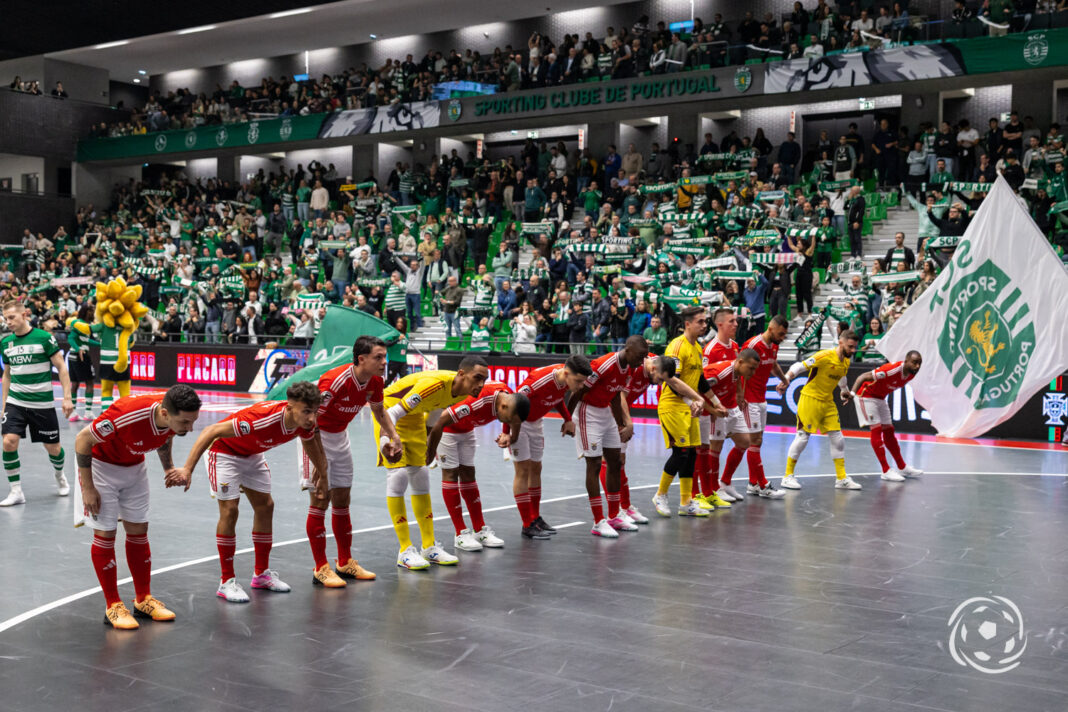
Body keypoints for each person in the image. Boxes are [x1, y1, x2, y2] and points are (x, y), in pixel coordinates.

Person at [170, 382, 329, 602]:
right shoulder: (259, 419)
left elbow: (311, 442)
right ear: (290, 408)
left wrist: (323, 473)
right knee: (230, 510)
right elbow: (211, 431)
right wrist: (187, 469)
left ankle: (261, 574)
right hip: (224, 452)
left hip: (252, 455)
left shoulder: (305, 423)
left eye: (315, 411)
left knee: (266, 506)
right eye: (306, 411)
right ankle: (226, 581)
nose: (312, 418)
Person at [76, 385, 202, 629]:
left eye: (192, 422)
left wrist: (168, 468)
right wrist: (87, 488)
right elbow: (83, 439)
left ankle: (143, 600)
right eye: (186, 422)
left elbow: (165, 437)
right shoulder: (127, 414)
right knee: (106, 532)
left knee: (139, 529)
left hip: (134, 466)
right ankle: (112, 605)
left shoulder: (170, 417)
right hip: (101, 468)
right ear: (165, 413)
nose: (190, 428)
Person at [299, 336, 402, 588]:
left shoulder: (375, 381)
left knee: (343, 499)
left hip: (340, 437)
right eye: (378, 357)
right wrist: (320, 465)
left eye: (384, 357)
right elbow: (309, 424)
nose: (384, 362)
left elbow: (379, 411)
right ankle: (320, 567)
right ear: (361, 359)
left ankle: (344, 562)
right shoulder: (334, 382)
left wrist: (393, 435)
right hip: (315, 437)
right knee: (321, 498)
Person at [375, 358, 490, 570]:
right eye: (477, 378)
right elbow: (392, 413)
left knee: (421, 476)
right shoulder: (435, 384)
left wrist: (429, 445)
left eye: (484, 380)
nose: (481, 385)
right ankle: (405, 550)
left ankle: (429, 547)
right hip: (391, 411)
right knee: (399, 476)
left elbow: (436, 411)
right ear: (461, 374)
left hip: (415, 415)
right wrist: (386, 442)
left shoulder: (463, 391)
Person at [426, 382, 530, 551]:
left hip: (467, 430)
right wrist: (430, 451)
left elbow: (515, 420)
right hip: (447, 431)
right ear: (503, 406)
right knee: (451, 474)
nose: (510, 422)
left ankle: (479, 529)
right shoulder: (477, 401)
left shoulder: (510, 399)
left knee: (469, 474)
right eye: (509, 419)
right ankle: (460, 533)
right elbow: (440, 421)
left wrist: (511, 436)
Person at [652, 307, 728, 518]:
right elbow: (672, 380)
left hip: (690, 409)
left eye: (706, 322)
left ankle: (686, 502)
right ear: (687, 324)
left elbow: (701, 381)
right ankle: (660, 494)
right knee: (681, 452)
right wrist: (692, 399)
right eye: (700, 322)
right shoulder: (677, 347)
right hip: (673, 407)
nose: (705, 325)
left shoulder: (697, 348)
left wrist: (716, 402)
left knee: (691, 453)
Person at [568, 336, 648, 537]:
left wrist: (620, 421)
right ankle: (598, 521)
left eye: (645, 357)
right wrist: (568, 419)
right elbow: (578, 391)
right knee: (594, 464)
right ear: (628, 350)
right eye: (640, 356)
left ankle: (614, 516)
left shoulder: (630, 368)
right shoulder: (604, 365)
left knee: (615, 461)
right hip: (588, 412)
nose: (643, 361)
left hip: (605, 412)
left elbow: (614, 394)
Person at [0, 300, 74, 506]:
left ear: (25, 314)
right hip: (16, 401)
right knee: (8, 441)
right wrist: (4, 404)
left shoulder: (44, 338)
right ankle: (16, 491)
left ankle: (59, 475)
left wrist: (67, 397)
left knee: (53, 448)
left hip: (42, 403)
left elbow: (61, 367)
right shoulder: (6, 343)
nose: (8, 322)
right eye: (6, 319)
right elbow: (7, 374)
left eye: (12, 317)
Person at [509, 356, 592, 538]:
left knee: (536, 468)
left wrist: (568, 419)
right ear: (566, 373)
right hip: (519, 422)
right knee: (522, 470)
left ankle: (535, 517)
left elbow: (556, 398)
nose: (579, 387)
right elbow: (511, 403)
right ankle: (526, 524)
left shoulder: (564, 380)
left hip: (536, 421)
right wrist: (507, 433)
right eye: (578, 382)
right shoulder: (539, 381)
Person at [778, 330, 862, 491]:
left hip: (828, 402)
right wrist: (786, 379)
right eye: (850, 347)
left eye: (855, 348)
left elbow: (842, 378)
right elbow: (799, 366)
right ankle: (787, 476)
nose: (853, 351)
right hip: (810, 399)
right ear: (841, 342)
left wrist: (844, 390)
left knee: (838, 438)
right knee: (802, 438)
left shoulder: (845, 361)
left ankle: (841, 478)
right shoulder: (824, 356)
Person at [852, 352, 925, 482]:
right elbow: (863, 376)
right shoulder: (891, 370)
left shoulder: (911, 374)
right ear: (906, 361)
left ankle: (902, 467)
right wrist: (852, 394)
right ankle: (885, 470)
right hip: (866, 395)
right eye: (914, 362)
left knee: (889, 431)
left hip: (880, 398)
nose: (917, 366)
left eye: (919, 363)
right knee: (876, 429)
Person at [694, 308, 740, 509]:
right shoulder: (710, 349)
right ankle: (711, 488)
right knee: (711, 448)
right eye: (732, 321)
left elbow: (736, 374)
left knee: (744, 441)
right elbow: (703, 380)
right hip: (715, 406)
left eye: (736, 321)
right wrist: (712, 408)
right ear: (719, 324)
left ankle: (722, 483)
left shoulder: (736, 346)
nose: (736, 324)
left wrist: (739, 394)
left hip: (731, 405)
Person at [67, 306, 100, 421]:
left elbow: (86, 340)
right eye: (91, 311)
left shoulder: (83, 325)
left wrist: (100, 344)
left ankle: (73, 413)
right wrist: (78, 349)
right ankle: (88, 412)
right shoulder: (79, 324)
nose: (93, 313)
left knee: (75, 384)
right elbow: (70, 338)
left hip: (72, 356)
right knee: (90, 383)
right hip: (80, 356)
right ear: (86, 312)